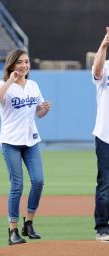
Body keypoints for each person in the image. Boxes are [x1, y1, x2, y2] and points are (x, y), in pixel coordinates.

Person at [0, 49, 50, 245]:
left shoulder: (33, 85)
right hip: (11, 141)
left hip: (31, 140)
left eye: (26, 62)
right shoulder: (2, 85)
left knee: (39, 181)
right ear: (12, 65)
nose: (24, 65)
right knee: (17, 185)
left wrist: (44, 109)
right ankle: (12, 230)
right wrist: (9, 81)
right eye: (20, 62)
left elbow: (38, 113)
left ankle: (29, 223)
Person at [92, 27, 109, 241]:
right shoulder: (105, 67)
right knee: (105, 182)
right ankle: (102, 227)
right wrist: (104, 46)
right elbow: (97, 72)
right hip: (105, 135)